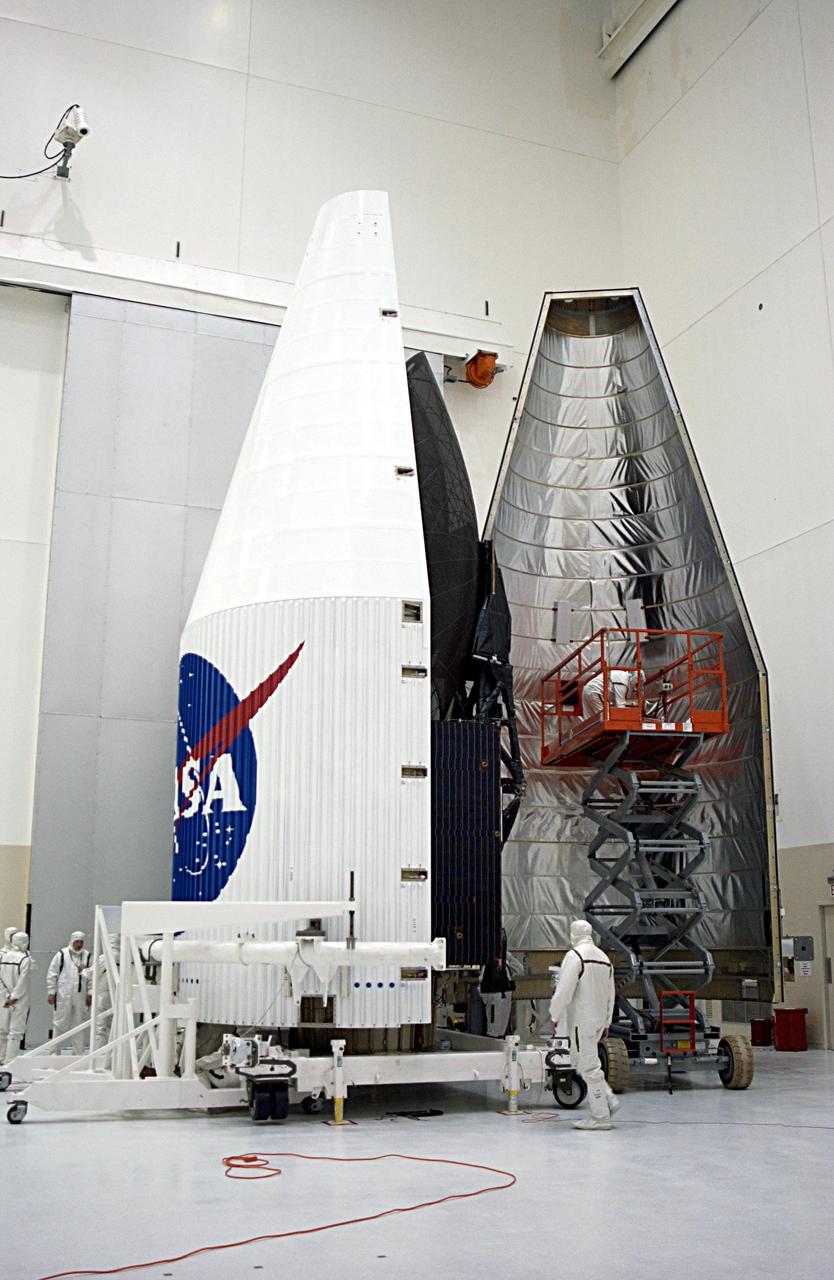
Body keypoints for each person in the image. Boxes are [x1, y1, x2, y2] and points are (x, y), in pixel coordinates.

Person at [550, 919, 617, 1131]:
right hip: (597, 1021)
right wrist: (607, 1021)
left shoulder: (575, 956)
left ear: (573, 934)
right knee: (585, 1062)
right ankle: (609, 1100)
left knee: (588, 1067)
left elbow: (564, 990)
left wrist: (555, 1015)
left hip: (582, 1021)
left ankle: (600, 1117)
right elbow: (611, 994)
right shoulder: (604, 958)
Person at [47, 931, 92, 1054]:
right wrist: (51, 992)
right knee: (59, 1023)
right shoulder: (61, 954)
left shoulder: (87, 956)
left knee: (79, 1025)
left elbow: (91, 977)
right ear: (72, 941)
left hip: (80, 996)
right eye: (77, 942)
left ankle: (78, 1054)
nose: (79, 945)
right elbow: (52, 974)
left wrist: (90, 993)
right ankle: (54, 1053)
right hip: (63, 995)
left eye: (81, 942)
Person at [0, 931, 33, 1065]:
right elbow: (23, 981)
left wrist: (6, 995)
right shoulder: (25, 959)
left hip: (3, 999)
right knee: (15, 1032)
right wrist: (14, 997)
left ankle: (1, 1058)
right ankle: (10, 1062)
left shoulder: (3, 957)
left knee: (2, 1029)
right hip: (19, 1000)